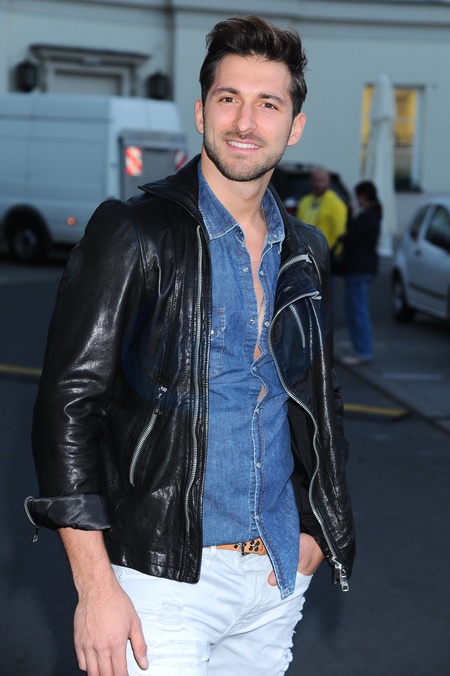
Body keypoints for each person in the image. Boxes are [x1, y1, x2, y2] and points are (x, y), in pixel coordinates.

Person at [25, 15, 355, 676]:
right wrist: (95, 586)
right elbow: (68, 408)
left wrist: (318, 533)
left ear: (294, 127)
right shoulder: (134, 232)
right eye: (228, 98)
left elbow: (320, 399)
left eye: (268, 104)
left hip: (274, 578)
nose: (245, 121)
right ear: (202, 111)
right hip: (162, 582)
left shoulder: (306, 250)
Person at [340, 180, 381, 365]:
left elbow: (351, 238)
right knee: (358, 309)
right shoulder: (373, 214)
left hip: (359, 266)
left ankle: (362, 352)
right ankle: (361, 350)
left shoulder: (366, 217)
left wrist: (345, 236)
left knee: (357, 310)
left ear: (363, 196)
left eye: (357, 196)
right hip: (365, 266)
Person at [296, 168, 348, 255]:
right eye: (315, 180)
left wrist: (333, 252)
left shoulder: (336, 203)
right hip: (303, 251)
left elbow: (339, 231)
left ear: (329, 182)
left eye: (322, 180)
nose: (318, 184)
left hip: (324, 252)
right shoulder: (305, 201)